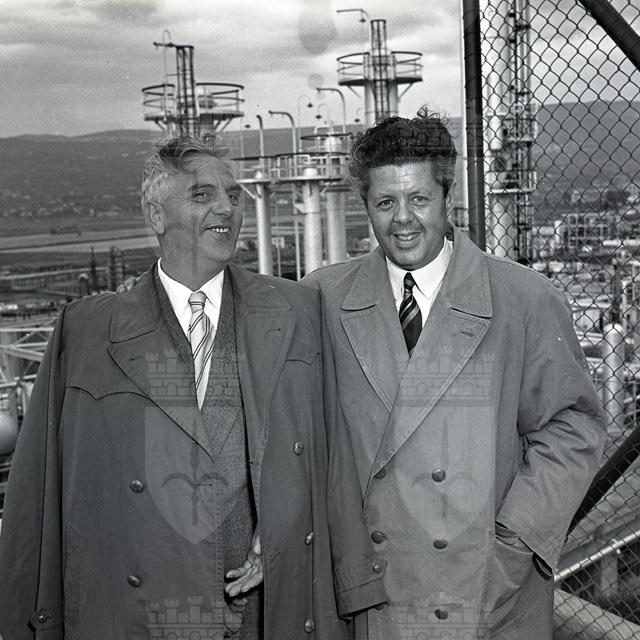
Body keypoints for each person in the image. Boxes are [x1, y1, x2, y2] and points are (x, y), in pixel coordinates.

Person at [0, 135, 385, 639]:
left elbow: (333, 461)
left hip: (267, 610)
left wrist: (291, 537)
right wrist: (23, 616)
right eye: (202, 195)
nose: (227, 208)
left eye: (232, 194)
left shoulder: (297, 311)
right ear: (155, 215)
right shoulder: (85, 330)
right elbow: (38, 490)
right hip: (140, 611)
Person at [302, 108, 606, 640]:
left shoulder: (524, 298)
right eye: (385, 202)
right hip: (373, 594)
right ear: (365, 205)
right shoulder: (322, 298)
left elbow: (572, 427)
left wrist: (514, 541)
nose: (403, 220)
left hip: (485, 590)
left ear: (448, 196)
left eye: (419, 199)